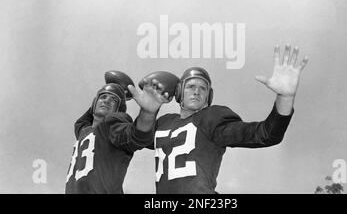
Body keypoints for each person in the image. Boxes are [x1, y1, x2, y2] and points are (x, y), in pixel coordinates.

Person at [147, 44, 308, 194]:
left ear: (208, 97)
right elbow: (134, 138)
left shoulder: (211, 119)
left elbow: (265, 134)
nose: (197, 91)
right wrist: (146, 108)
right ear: (180, 91)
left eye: (203, 88)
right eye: (191, 86)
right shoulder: (163, 122)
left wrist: (285, 98)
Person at [65, 71, 169, 194]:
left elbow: (137, 136)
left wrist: (147, 113)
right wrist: (115, 88)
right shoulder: (84, 131)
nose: (107, 100)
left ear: (119, 109)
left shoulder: (111, 125)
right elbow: (81, 122)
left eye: (114, 99)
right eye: (103, 97)